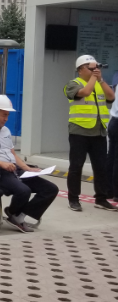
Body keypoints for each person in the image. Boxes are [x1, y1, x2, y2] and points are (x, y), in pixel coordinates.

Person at [0, 95, 59, 231]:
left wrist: (27, 168)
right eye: (4, 115)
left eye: (8, 115)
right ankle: (15, 214)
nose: (6, 119)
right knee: (23, 190)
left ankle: (18, 215)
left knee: (50, 189)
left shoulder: (6, 131)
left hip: (14, 169)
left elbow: (13, 154)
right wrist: (1, 164)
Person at [64, 55, 116, 211]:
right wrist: (94, 78)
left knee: (100, 167)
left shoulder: (99, 84)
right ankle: (74, 199)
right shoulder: (73, 84)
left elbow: (111, 97)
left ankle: (101, 198)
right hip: (79, 131)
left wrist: (101, 80)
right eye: (91, 68)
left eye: (96, 68)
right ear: (80, 70)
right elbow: (85, 92)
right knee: (76, 166)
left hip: (98, 132)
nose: (95, 70)